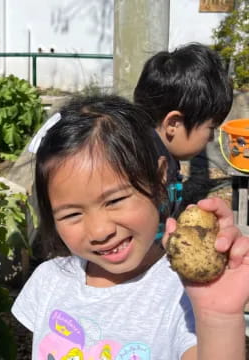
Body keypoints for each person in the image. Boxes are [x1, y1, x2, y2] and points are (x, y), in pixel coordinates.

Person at [13, 94, 249, 359]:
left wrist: (218, 319)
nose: (100, 231)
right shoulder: (50, 281)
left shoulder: (183, 294)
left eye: (115, 200)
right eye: (72, 214)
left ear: (159, 179)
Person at [133, 43, 233, 238]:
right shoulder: (146, 169)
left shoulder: (158, 153)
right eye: (211, 128)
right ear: (173, 124)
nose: (211, 138)